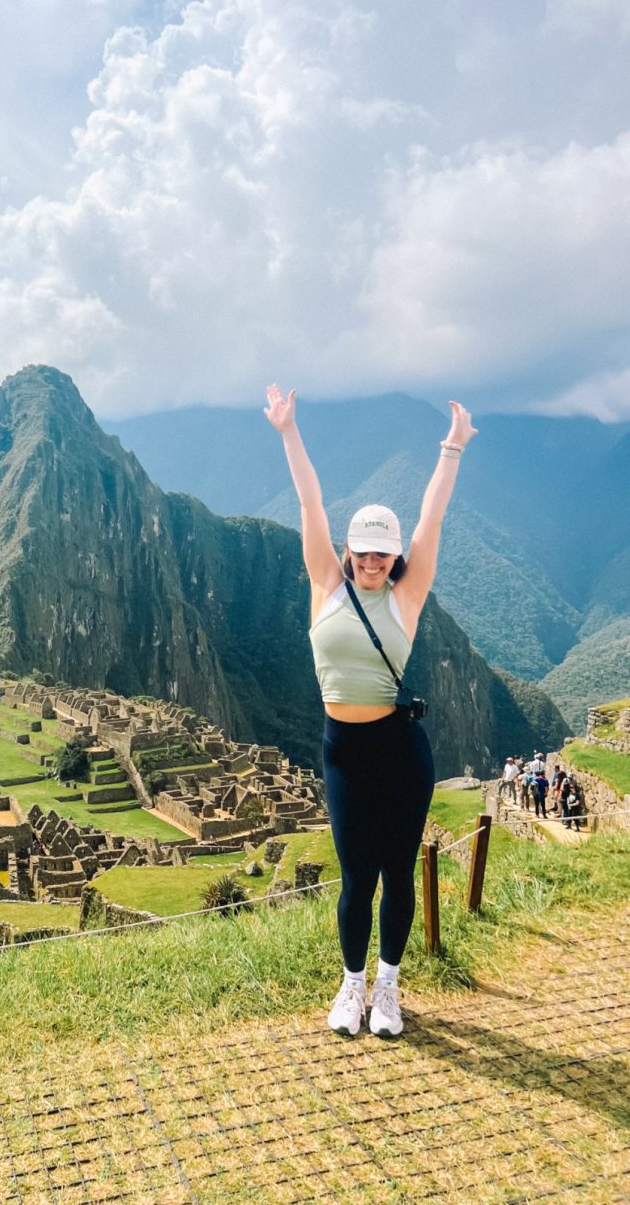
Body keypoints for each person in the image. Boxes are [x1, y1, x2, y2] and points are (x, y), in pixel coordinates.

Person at [265, 385, 477, 1038]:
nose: (372, 561)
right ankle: (352, 984)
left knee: (398, 874)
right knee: (356, 879)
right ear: (349, 550)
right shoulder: (325, 584)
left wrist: (451, 449)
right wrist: (288, 431)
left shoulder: (407, 596)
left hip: (399, 751)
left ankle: (388, 986)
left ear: (395, 557)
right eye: (363, 551)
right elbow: (309, 502)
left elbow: (432, 521)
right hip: (344, 754)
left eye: (383, 553)